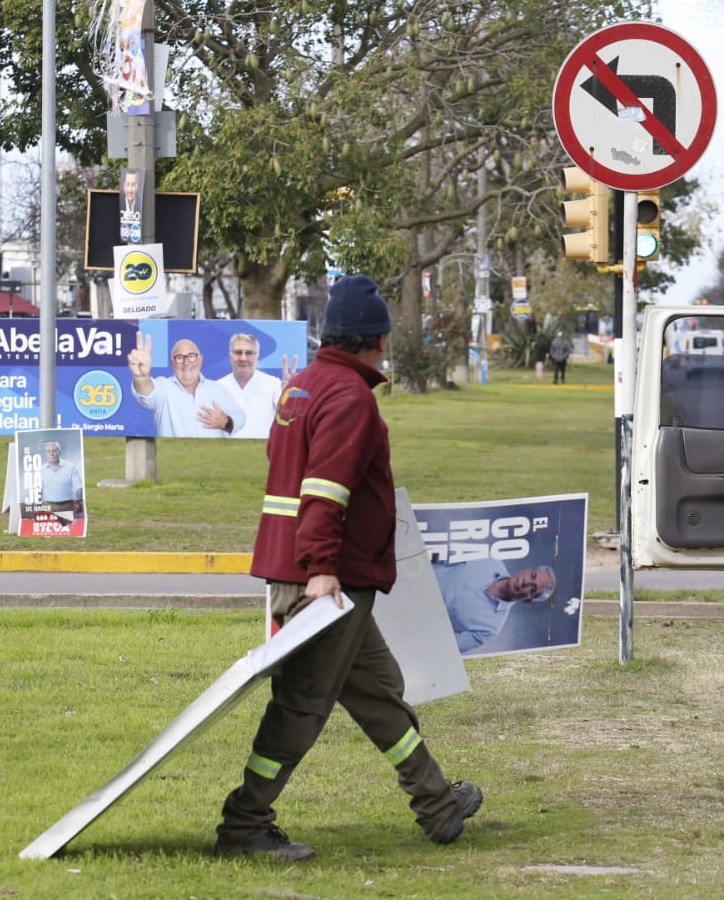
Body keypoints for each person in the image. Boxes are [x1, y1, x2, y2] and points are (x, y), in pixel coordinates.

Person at [216, 274, 483, 861]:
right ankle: (243, 826)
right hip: (325, 580)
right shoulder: (350, 396)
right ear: (378, 340)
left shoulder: (303, 386)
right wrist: (321, 570)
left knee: (380, 694)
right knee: (301, 706)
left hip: (323, 575)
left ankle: (437, 805)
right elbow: (324, 490)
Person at [127, 334, 245, 438]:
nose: (186, 362)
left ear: (200, 360)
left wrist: (226, 422)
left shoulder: (217, 389)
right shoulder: (164, 387)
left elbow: (240, 418)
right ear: (172, 363)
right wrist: (141, 377)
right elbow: (147, 394)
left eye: (191, 356)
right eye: (179, 357)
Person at [432, 558, 557, 654]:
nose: (526, 582)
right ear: (526, 570)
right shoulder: (489, 560)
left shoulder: (490, 629)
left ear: (527, 600)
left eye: (532, 588)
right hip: (415, 578)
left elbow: (443, 646)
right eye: (532, 575)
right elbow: (438, 557)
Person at [213, 332, 288, 439]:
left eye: (249, 353)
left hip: (262, 452)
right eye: (238, 352)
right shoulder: (217, 387)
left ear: (257, 357)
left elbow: (285, 417)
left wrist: (288, 397)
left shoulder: (273, 384)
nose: (243, 358)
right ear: (230, 357)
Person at [37, 439, 83, 516]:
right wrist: (37, 506)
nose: (51, 454)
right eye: (48, 451)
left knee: (67, 527)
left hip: (67, 506)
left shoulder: (70, 467)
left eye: (54, 451)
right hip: (48, 507)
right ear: (46, 454)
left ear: (59, 452)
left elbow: (79, 487)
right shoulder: (41, 469)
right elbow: (38, 490)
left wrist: (79, 501)